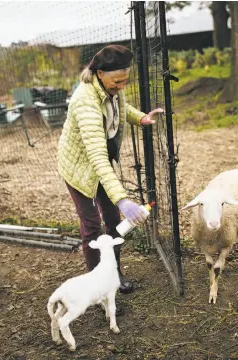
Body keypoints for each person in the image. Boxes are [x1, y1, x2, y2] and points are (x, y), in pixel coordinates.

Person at [57, 45, 163, 315]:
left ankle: (113, 278)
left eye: (126, 80)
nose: (122, 85)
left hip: (100, 162)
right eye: (117, 81)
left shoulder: (112, 87)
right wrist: (123, 198)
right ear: (100, 74)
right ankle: (96, 289)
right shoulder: (85, 101)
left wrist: (142, 118)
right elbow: (96, 157)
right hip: (80, 167)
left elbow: (120, 107)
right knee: (92, 227)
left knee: (114, 222)